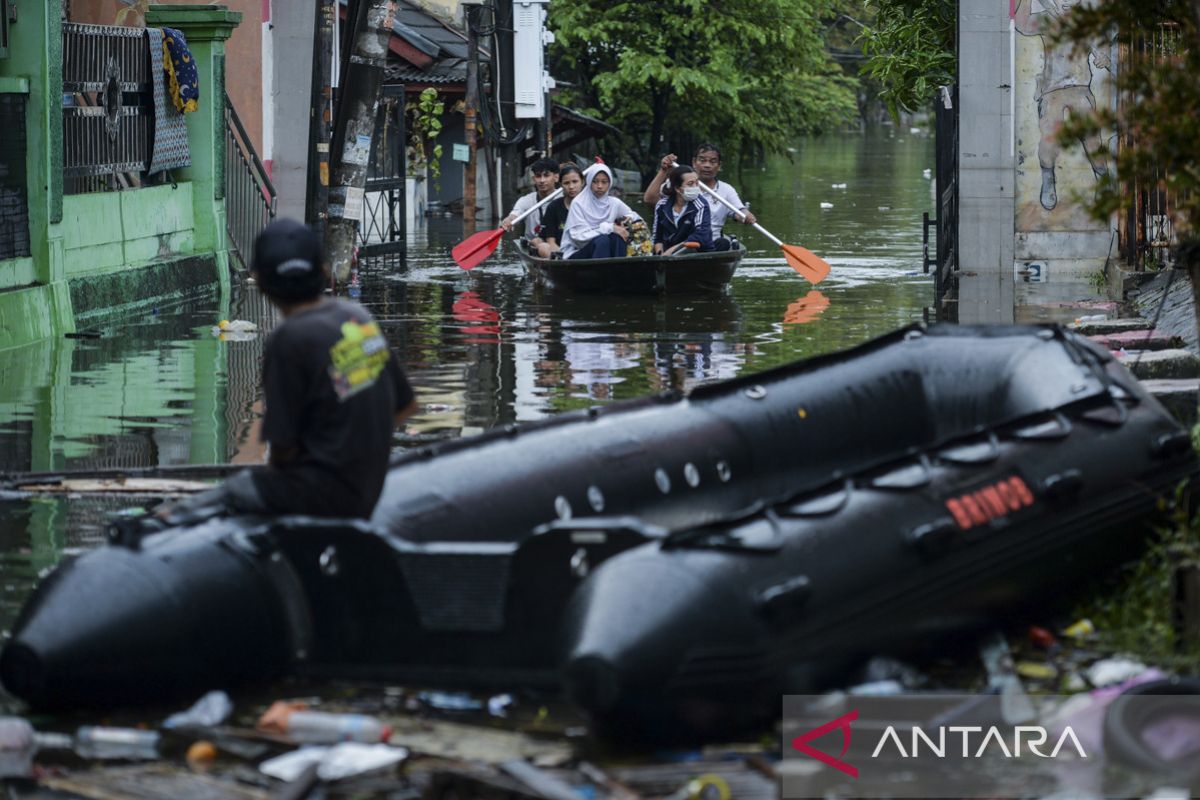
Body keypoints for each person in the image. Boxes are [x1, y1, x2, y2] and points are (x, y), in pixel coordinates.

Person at [160, 219, 417, 525]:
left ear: (260, 281)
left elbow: (283, 450)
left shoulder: (288, 339)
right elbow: (406, 406)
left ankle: (166, 520)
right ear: (323, 271)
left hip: (325, 497)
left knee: (236, 488)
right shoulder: (356, 316)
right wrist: (360, 450)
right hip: (367, 487)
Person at [1013, 0, 1110, 210]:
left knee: (1092, 138)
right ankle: (1048, 179)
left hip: (1081, 87)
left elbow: (1104, 45)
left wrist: (1103, 57)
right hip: (1052, 90)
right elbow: (1021, 25)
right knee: (1049, 139)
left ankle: (1103, 178)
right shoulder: (1047, 19)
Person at [642, 144, 756, 249]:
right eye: (702, 160)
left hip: (709, 244)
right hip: (677, 241)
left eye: (712, 162)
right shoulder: (677, 185)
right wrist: (663, 170)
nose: (707, 165)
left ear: (719, 166)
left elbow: (739, 211)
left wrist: (745, 215)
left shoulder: (726, 190)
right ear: (694, 162)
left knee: (722, 244)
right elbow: (650, 199)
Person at [561, 164, 640, 260]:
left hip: (602, 249)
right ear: (589, 182)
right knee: (602, 240)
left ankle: (620, 267)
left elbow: (634, 216)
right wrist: (609, 228)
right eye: (595, 182)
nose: (599, 186)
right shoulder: (578, 203)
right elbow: (578, 238)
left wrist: (626, 220)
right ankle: (601, 269)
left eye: (604, 182)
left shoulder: (614, 203)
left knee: (617, 238)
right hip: (577, 252)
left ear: (610, 183)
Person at [652, 164, 713, 254]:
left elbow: (701, 236)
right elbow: (657, 237)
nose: (695, 187)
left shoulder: (701, 205)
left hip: (696, 252)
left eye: (696, 183)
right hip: (667, 254)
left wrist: (672, 250)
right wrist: (661, 254)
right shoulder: (662, 205)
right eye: (690, 184)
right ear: (678, 189)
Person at [500, 156, 561, 242]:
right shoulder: (526, 200)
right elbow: (514, 215)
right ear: (534, 179)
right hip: (533, 244)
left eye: (546, 175)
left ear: (556, 177)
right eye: (538, 176)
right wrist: (509, 220)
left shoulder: (564, 197)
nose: (542, 180)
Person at [533, 164, 584, 258]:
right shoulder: (553, 207)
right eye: (566, 183)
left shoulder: (591, 205)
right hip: (560, 252)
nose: (571, 187)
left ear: (582, 182)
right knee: (542, 246)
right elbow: (551, 242)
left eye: (575, 182)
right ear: (561, 185)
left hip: (585, 250)